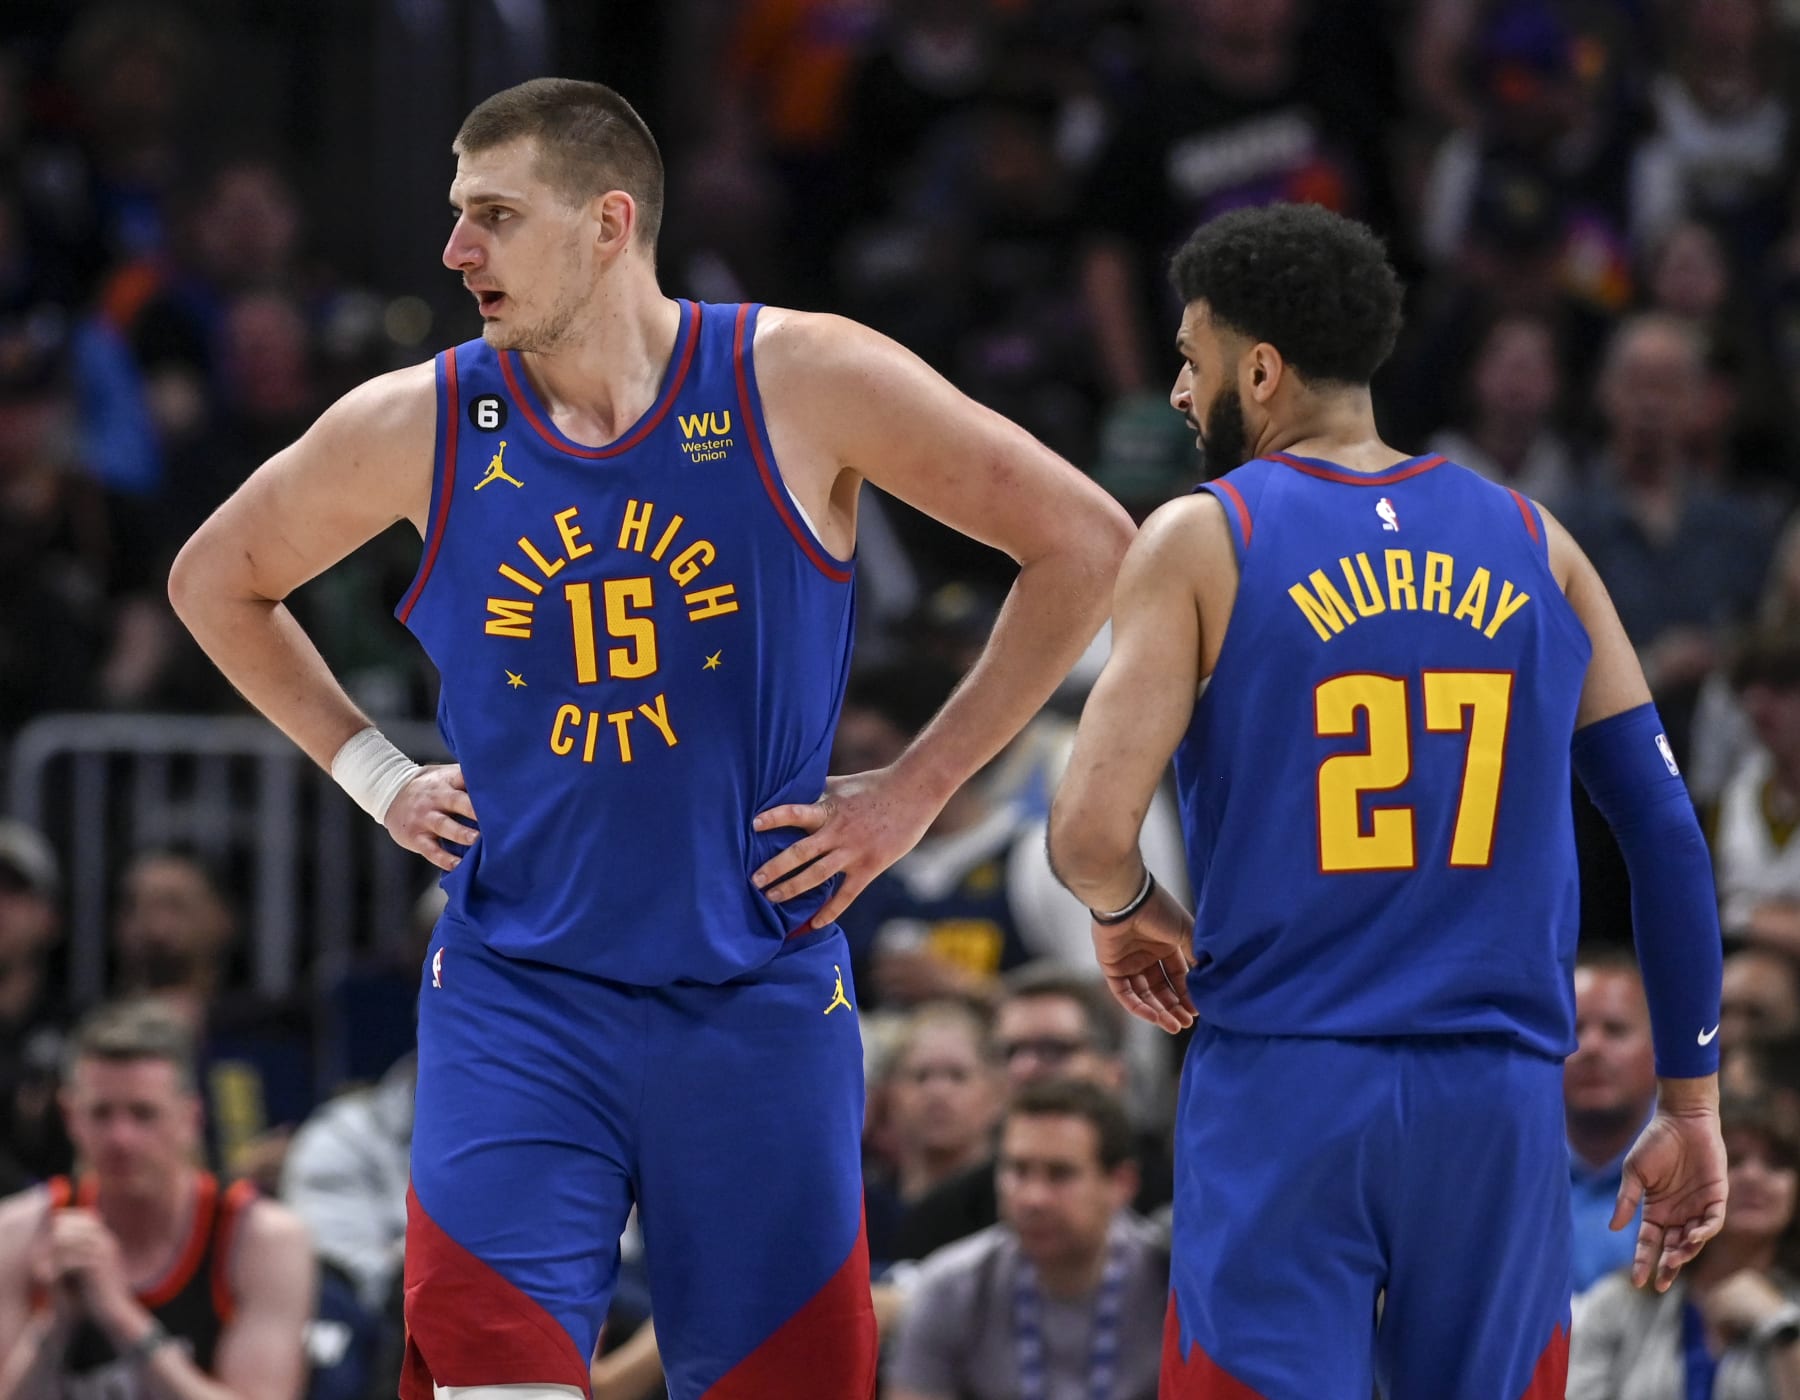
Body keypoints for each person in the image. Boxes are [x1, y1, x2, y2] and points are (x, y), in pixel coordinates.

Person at [167, 77, 1132, 1400]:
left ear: (608, 223)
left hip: (756, 994)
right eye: (458, 215)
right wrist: (374, 773)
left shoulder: (798, 376)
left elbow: (1085, 543)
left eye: (495, 217)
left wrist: (917, 791)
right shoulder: (425, 421)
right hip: (520, 993)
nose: (456, 252)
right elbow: (215, 579)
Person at [1047, 201, 1727, 1399]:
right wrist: (1692, 1100)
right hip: (1499, 1095)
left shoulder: (1205, 534)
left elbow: (1089, 833)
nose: (1174, 392)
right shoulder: (1538, 538)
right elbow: (1667, 833)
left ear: (1258, 370)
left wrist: (1127, 907)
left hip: (1287, 1078)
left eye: (1190, 361)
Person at [0, 997, 315, 1398]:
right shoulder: (18, 1231)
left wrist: (122, 1317)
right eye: (101, 1113)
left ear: (191, 1119)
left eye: (143, 1114)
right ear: (70, 1118)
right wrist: (54, 1326)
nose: (121, 1139)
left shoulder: (259, 1237)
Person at [884, 1077, 1166, 1400]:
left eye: (1060, 1173)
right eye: (1018, 1170)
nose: (1033, 1198)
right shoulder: (949, 1289)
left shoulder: (1173, 1286)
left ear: (1121, 1184)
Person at [1567, 1094, 1800, 1399]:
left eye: (1776, 1164)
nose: (1753, 1176)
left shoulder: (1789, 1315)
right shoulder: (1618, 1302)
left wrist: (1781, 1325)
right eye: (1733, 1160)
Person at [1567, 949, 1658, 1295]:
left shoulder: (1702, 1162)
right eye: (1573, 1029)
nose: (1591, 1047)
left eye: (1615, 1030)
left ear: (1658, 1049)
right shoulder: (1507, 1164)